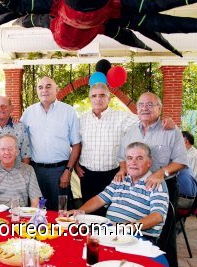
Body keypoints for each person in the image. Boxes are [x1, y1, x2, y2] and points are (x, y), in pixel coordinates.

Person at [76, 83, 174, 215]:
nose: (98, 99)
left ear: (109, 98)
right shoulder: (81, 120)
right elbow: (76, 144)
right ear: (90, 98)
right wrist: (76, 165)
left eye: (102, 95)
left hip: (113, 174)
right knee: (88, 212)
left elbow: (146, 121)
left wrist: (166, 121)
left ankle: (108, 235)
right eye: (94, 96)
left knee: (112, 213)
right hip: (87, 175)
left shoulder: (122, 117)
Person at [116, 92, 187, 267]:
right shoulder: (131, 131)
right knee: (137, 234)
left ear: (159, 108)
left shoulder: (171, 131)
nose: (144, 108)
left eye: (150, 104)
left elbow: (181, 162)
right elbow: (122, 158)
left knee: (164, 239)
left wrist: (161, 173)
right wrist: (122, 170)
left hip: (164, 188)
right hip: (136, 190)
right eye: (141, 105)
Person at [78, 142, 169, 242]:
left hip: (138, 237)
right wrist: (78, 212)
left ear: (149, 162)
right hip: (111, 233)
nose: (133, 162)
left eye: (139, 158)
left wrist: (126, 228)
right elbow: (100, 199)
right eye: (129, 158)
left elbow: (157, 216)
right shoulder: (121, 179)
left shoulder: (156, 183)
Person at [21, 76, 81, 210]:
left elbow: (76, 144)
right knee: (37, 212)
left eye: (48, 86)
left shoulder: (68, 111)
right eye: (40, 87)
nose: (44, 90)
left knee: (61, 212)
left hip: (60, 172)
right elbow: (21, 142)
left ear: (56, 89)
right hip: (35, 171)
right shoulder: (28, 113)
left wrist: (68, 170)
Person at [0, 134, 42, 207]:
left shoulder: (28, 170)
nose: (7, 152)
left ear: (17, 152)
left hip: (20, 215)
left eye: (10, 149)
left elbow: (35, 202)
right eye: (3, 149)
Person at [0, 96, 30, 165]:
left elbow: (26, 156)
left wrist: (21, 174)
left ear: (11, 108)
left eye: (3, 106)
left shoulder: (20, 127)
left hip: (14, 174)